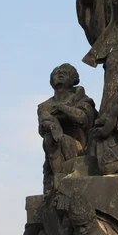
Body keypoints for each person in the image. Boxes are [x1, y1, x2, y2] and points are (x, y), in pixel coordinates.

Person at [38, 63, 96, 192]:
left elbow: (83, 119)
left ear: (74, 79)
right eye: (56, 73)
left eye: (65, 72)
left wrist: (62, 108)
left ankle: (61, 178)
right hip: (54, 147)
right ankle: (58, 177)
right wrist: (53, 126)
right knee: (49, 137)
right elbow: (43, 126)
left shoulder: (83, 99)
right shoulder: (44, 106)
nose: (59, 74)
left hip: (79, 147)